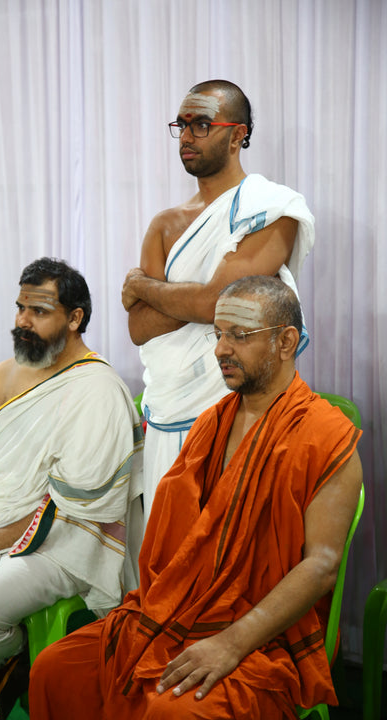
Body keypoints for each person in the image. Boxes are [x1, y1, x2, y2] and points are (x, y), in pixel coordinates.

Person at [30, 275, 363, 720]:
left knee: (174, 711)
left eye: (239, 335)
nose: (221, 349)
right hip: (180, 611)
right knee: (54, 669)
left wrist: (231, 643)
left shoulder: (327, 437)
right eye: (219, 334)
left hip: (265, 636)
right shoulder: (210, 425)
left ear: (285, 342)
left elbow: (321, 568)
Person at [0, 257, 143, 720]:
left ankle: (0, 654)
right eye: (20, 308)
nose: (22, 321)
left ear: (75, 318)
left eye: (39, 311)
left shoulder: (99, 389)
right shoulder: (2, 376)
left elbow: (70, 510)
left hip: (57, 547)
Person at [122, 79, 315, 519]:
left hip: (239, 409)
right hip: (169, 410)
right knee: (167, 544)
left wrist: (142, 288)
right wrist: (194, 298)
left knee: (228, 542)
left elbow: (216, 304)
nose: (187, 136)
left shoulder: (272, 209)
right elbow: (139, 327)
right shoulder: (165, 225)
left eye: (202, 124)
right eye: (182, 124)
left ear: (237, 135)